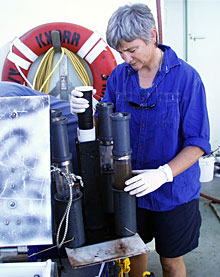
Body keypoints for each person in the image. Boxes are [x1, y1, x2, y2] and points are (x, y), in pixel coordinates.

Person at [70, 3, 211, 277]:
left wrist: (163, 174)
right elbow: (105, 128)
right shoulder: (119, 77)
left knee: (170, 260)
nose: (125, 58)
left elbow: (198, 143)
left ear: (152, 37)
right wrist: (86, 110)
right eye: (119, 51)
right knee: (133, 253)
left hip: (173, 192)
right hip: (128, 187)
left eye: (131, 50)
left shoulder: (186, 79)